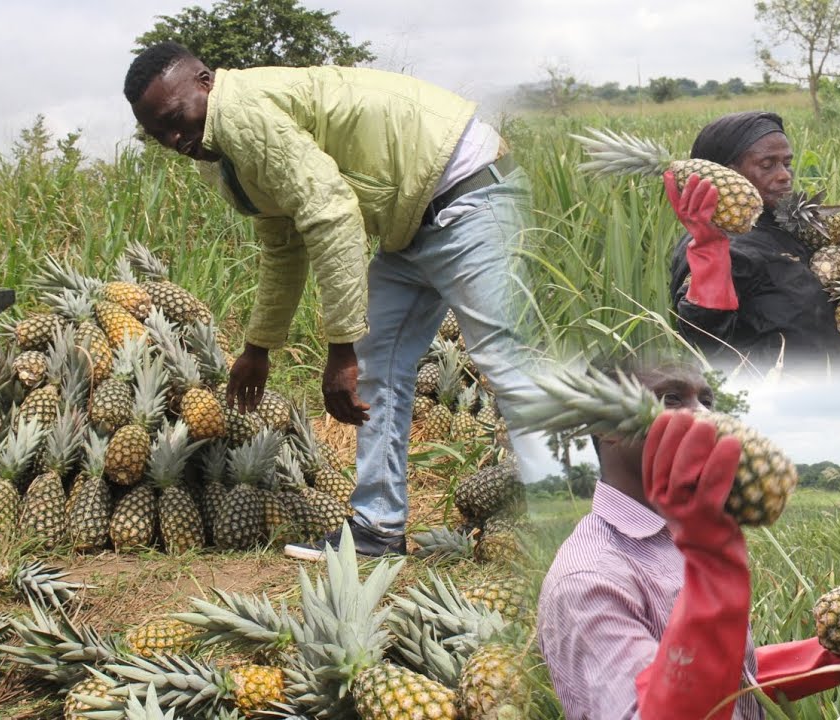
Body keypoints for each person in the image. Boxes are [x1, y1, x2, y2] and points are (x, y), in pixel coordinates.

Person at [123, 42, 555, 557]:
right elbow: (282, 241)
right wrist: (258, 348)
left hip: (465, 193)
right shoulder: (221, 154)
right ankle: (378, 527)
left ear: (205, 82)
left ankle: (583, 519)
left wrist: (340, 348)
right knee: (379, 365)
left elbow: (331, 214)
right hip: (412, 221)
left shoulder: (240, 111)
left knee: (507, 363)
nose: (174, 140)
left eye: (175, 119)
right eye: (159, 134)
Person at [537, 358, 840, 720]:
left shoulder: (672, 536)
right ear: (607, 427)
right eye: (672, 398)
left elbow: (720, 677)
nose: (705, 416)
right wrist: (714, 568)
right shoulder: (589, 579)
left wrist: (828, 658)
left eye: (706, 400)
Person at [666, 111, 840, 371]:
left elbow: (836, 332)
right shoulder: (714, 245)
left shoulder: (792, 230)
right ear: (725, 175)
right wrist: (710, 254)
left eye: (787, 163)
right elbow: (704, 344)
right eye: (767, 165)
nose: (784, 175)